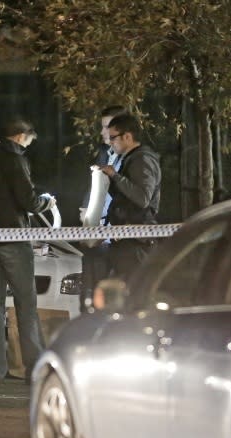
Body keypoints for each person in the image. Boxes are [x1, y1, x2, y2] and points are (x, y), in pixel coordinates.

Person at [0, 116, 54, 385]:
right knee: (25, 304)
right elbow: (28, 200)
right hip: (12, 238)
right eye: (28, 141)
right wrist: (45, 201)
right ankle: (35, 368)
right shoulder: (15, 158)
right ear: (21, 136)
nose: (28, 146)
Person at [78, 105, 129, 312]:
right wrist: (85, 211)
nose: (102, 133)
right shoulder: (104, 154)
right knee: (92, 289)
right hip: (96, 234)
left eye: (106, 127)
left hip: (116, 237)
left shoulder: (131, 158)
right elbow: (95, 188)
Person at [101, 113, 161, 279]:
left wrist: (115, 176)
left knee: (133, 296)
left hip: (136, 244)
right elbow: (126, 196)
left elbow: (142, 198)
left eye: (113, 137)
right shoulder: (130, 159)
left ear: (127, 136)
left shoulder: (142, 159)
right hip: (128, 241)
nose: (110, 142)